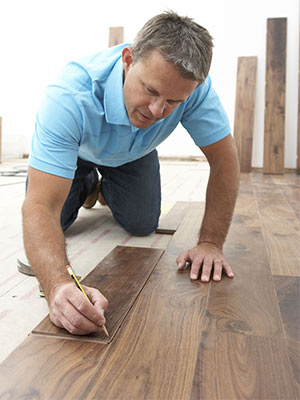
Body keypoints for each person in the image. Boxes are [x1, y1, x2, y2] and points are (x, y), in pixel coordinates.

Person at [20, 11, 240, 335]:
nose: (156, 110)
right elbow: (40, 206)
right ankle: (85, 185)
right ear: (128, 59)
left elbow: (225, 161)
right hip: (77, 155)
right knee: (59, 218)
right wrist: (57, 285)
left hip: (134, 154)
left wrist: (210, 243)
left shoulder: (195, 92)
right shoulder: (69, 95)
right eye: (150, 90)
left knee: (142, 223)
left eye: (173, 102)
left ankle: (103, 190)